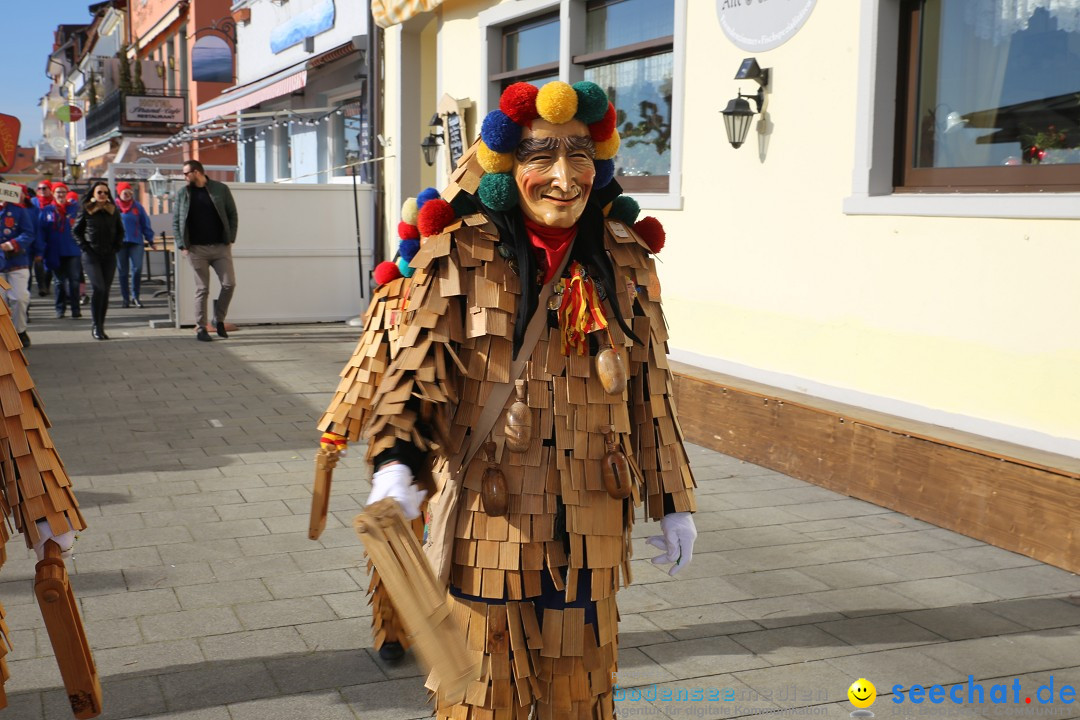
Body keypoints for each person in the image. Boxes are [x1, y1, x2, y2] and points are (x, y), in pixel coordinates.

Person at [317, 81, 698, 719]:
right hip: (489, 517)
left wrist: (672, 501)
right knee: (481, 695)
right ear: (506, 168)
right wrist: (398, 465)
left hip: (591, 514)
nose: (562, 177)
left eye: (579, 157)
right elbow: (417, 371)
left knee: (578, 688)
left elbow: (649, 393)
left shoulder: (628, 260)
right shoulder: (459, 253)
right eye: (540, 157)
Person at [171, 159, 238, 342]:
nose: (184, 177)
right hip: (196, 249)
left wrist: (230, 238)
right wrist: (181, 244)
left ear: (197, 172)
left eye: (186, 173)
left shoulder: (220, 189)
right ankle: (201, 328)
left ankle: (218, 320)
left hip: (220, 247)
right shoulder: (183, 194)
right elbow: (176, 221)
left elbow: (232, 214)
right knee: (202, 289)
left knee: (229, 284)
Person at [72, 181, 124, 340]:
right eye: (99, 192)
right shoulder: (87, 210)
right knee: (99, 288)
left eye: (105, 193)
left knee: (105, 291)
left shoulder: (113, 210)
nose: (103, 195)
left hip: (109, 255)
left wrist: (116, 247)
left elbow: (121, 231)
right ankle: (95, 324)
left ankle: (101, 325)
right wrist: (85, 248)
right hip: (91, 255)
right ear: (93, 194)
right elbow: (76, 231)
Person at [0, 193, 37, 347]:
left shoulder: (18, 210)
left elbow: (29, 233)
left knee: (20, 298)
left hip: (17, 261)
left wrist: (12, 244)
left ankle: (20, 331)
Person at [42, 182, 83, 319]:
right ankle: (60, 309)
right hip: (55, 251)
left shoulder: (74, 209)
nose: (60, 195)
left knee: (74, 280)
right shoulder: (47, 210)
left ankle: (75, 310)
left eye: (63, 192)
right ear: (53, 194)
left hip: (72, 250)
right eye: (58, 192)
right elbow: (42, 231)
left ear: (66, 194)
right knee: (59, 282)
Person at [115, 181, 155, 308]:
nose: (126, 195)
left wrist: (150, 239)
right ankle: (125, 298)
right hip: (120, 243)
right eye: (124, 192)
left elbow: (145, 223)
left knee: (137, 269)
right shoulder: (114, 207)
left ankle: (135, 297)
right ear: (119, 193)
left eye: (128, 192)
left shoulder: (137, 206)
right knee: (122, 272)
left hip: (136, 242)